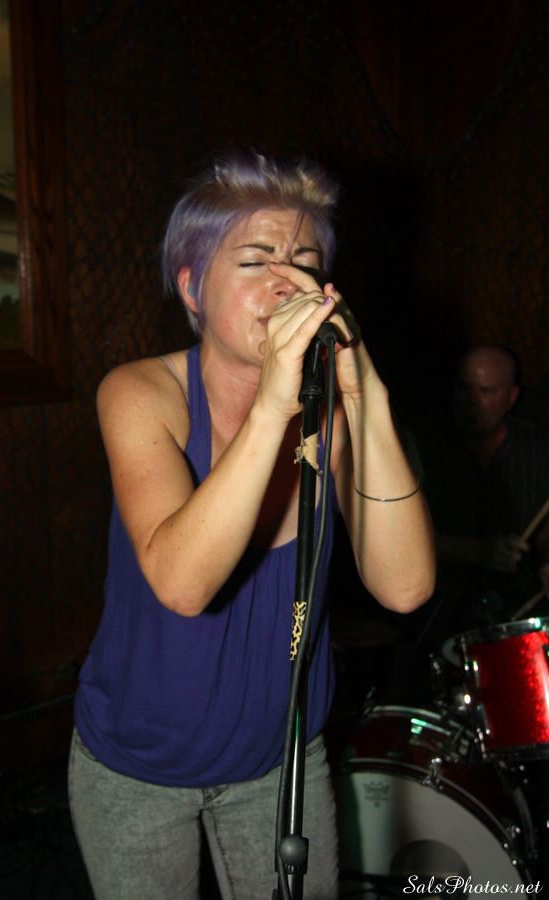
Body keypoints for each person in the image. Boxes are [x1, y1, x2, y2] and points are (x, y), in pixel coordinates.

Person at [68, 148, 436, 900]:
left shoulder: (332, 414)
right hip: (138, 765)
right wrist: (273, 402)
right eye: (255, 260)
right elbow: (182, 584)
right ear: (191, 286)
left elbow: (405, 588)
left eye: (304, 262)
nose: (286, 281)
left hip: (280, 760)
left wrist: (365, 392)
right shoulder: (141, 393)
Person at [392, 345, 549, 701]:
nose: (473, 402)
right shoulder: (419, 443)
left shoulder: (538, 448)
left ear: (511, 397)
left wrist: (546, 558)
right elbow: (397, 541)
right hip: (436, 616)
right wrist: (477, 551)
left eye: (487, 392)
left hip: (518, 611)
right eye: (465, 389)